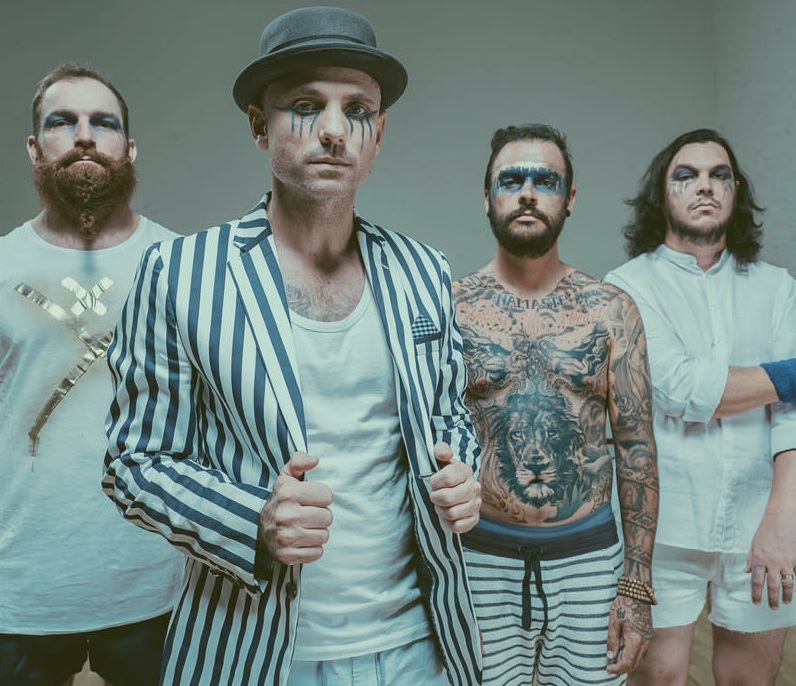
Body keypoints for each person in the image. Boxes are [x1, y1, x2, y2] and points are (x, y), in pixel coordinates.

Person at [101, 7, 483, 686]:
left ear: (378, 133)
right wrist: (252, 519)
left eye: (357, 110)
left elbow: (449, 415)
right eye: (305, 107)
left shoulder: (424, 270)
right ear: (259, 126)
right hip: (256, 649)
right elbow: (133, 462)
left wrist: (462, 471)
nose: (334, 131)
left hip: (419, 645)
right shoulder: (181, 273)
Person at [453, 123, 659, 685]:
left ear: (569, 199)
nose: (527, 193)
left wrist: (636, 586)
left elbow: (636, 448)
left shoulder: (612, 310)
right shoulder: (454, 309)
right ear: (488, 197)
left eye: (545, 181)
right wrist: (439, 580)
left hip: (591, 561)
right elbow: (426, 445)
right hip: (480, 561)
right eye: (511, 180)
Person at [0, 64, 184, 686]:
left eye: (103, 123)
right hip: (23, 588)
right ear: (35, 148)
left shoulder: (183, 267)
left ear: (129, 148)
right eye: (63, 122)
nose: (85, 136)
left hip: (156, 584)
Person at [605, 128, 796, 686]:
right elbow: (678, 388)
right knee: (659, 678)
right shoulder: (627, 286)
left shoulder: (777, 288)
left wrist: (783, 520)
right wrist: (789, 376)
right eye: (686, 176)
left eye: (720, 175)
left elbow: (790, 416)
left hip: (761, 520)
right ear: (661, 194)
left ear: (736, 192)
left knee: (750, 681)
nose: (704, 186)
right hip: (663, 528)